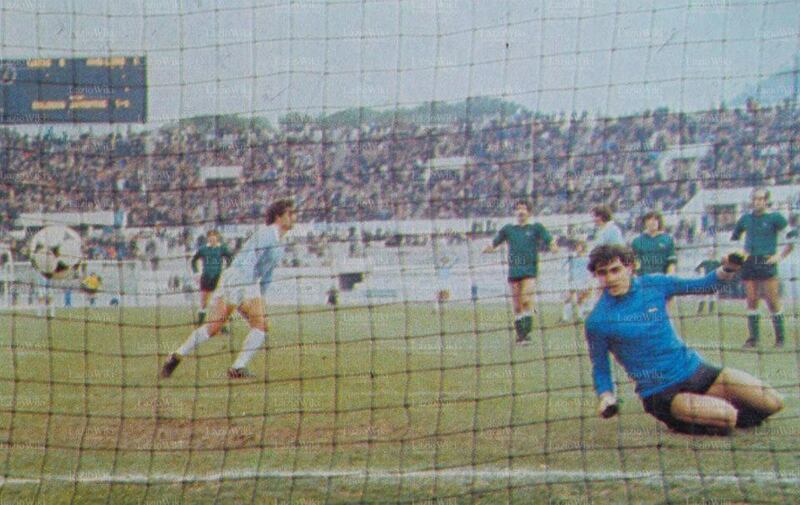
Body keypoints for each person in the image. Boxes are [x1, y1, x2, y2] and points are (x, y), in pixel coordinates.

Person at [584, 244, 783, 435]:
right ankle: (684, 416)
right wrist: (606, 396)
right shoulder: (597, 321)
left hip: (696, 371)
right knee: (727, 417)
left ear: (630, 267)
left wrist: (728, 268)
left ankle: (702, 410)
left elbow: (704, 286)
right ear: (596, 275)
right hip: (661, 392)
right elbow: (600, 367)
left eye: (615, 270)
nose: (610, 278)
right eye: (603, 273)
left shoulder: (656, 284)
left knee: (773, 402)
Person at [160, 199, 296, 379]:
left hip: (249, 283)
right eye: (290, 214)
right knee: (215, 326)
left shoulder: (281, 243)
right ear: (278, 217)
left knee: (261, 325)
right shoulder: (266, 234)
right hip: (237, 278)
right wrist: (242, 289)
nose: (293, 217)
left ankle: (237, 367)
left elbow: (268, 274)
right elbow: (248, 259)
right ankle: (176, 356)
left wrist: (260, 296)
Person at [483, 200, 558, 344]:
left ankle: (526, 333)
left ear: (529, 212)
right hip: (514, 271)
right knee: (517, 305)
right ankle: (520, 335)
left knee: (526, 300)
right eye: (518, 209)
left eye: (523, 209)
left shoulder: (536, 227)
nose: (521, 211)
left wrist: (553, 246)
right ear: (515, 212)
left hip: (530, 270)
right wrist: (488, 248)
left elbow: (549, 239)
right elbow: (494, 243)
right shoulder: (508, 229)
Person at [731, 188, 794, 348]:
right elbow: (734, 239)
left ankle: (780, 339)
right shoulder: (745, 219)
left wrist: (779, 256)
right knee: (751, 300)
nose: (757, 202)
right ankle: (754, 339)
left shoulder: (775, 218)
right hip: (749, 262)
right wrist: (740, 254)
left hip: (766, 262)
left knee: (772, 301)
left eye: (761, 199)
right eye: (755, 199)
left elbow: (792, 237)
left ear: (766, 201)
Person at [191, 230, 233, 325]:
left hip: (218, 277)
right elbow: (193, 261)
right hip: (206, 277)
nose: (212, 239)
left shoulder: (222, 248)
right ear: (208, 238)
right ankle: (200, 323)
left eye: (214, 237)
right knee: (203, 302)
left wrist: (227, 269)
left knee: (220, 302)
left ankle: (222, 326)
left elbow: (230, 258)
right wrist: (196, 273)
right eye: (210, 237)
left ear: (217, 238)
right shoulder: (203, 249)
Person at [630, 211, 677, 275]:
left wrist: (669, 276)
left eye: (655, 219)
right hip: (644, 277)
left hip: (662, 277)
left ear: (659, 222)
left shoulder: (667, 240)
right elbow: (636, 263)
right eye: (649, 219)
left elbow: (671, 262)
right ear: (645, 223)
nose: (653, 222)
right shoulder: (637, 241)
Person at [561, 240, 591, 323]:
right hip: (573, 280)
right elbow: (565, 266)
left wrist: (588, 281)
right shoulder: (572, 258)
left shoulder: (587, 259)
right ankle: (565, 318)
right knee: (569, 298)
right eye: (577, 246)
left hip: (583, 280)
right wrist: (568, 277)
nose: (578, 248)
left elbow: (589, 270)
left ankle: (579, 317)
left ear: (583, 247)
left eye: (579, 246)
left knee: (580, 299)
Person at [695, 249, 722, 314]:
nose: (711, 255)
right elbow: (697, 269)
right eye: (710, 253)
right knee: (702, 295)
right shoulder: (705, 262)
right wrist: (700, 272)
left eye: (712, 254)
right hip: (706, 280)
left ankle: (710, 310)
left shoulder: (717, 263)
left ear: (714, 255)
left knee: (711, 296)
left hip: (714, 280)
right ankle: (700, 310)